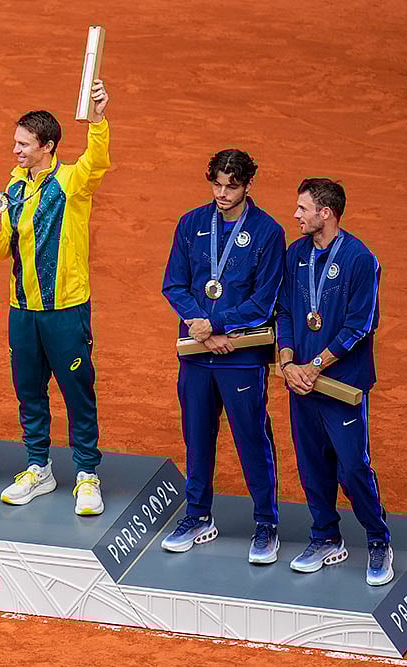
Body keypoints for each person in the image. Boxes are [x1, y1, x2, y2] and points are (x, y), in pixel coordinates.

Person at [0, 79, 110, 516]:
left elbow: (97, 160)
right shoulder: (13, 190)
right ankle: (39, 467)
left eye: (23, 144)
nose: (15, 150)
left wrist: (97, 119)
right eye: (15, 142)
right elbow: (1, 251)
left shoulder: (71, 182)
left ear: (48, 146)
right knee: (28, 391)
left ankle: (87, 473)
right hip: (23, 310)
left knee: (77, 390)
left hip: (65, 310)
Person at [160, 149, 285, 563]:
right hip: (197, 352)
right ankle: (197, 515)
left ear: (248, 185)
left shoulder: (268, 232)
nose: (222, 193)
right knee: (197, 438)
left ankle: (266, 523)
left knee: (252, 439)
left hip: (240, 355)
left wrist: (218, 326)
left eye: (231, 185)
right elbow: (175, 285)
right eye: (216, 184)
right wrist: (199, 321)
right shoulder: (192, 223)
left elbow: (264, 300)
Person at [278, 178, 393, 586]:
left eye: (303, 209)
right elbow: (286, 312)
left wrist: (316, 365)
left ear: (325, 213)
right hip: (301, 383)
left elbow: (359, 323)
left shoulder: (361, 260)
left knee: (352, 467)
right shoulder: (295, 255)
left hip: (340, 385)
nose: (296, 215)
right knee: (311, 466)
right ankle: (325, 536)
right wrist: (289, 361)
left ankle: (379, 539)